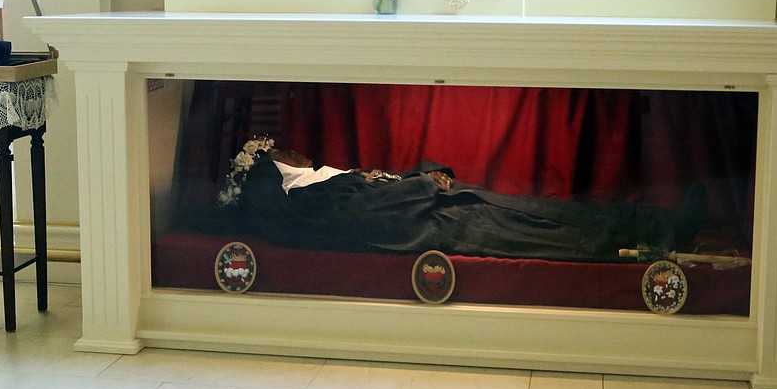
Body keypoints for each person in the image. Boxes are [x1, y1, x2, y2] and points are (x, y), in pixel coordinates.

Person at [206, 145, 703, 264]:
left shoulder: (318, 180)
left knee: (545, 210)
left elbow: (376, 187)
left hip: (439, 206)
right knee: (544, 231)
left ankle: (653, 223)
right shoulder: (307, 195)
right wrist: (426, 186)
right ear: (277, 166)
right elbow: (366, 210)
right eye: (283, 150)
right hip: (436, 224)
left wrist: (426, 174)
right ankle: (647, 237)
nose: (296, 147)